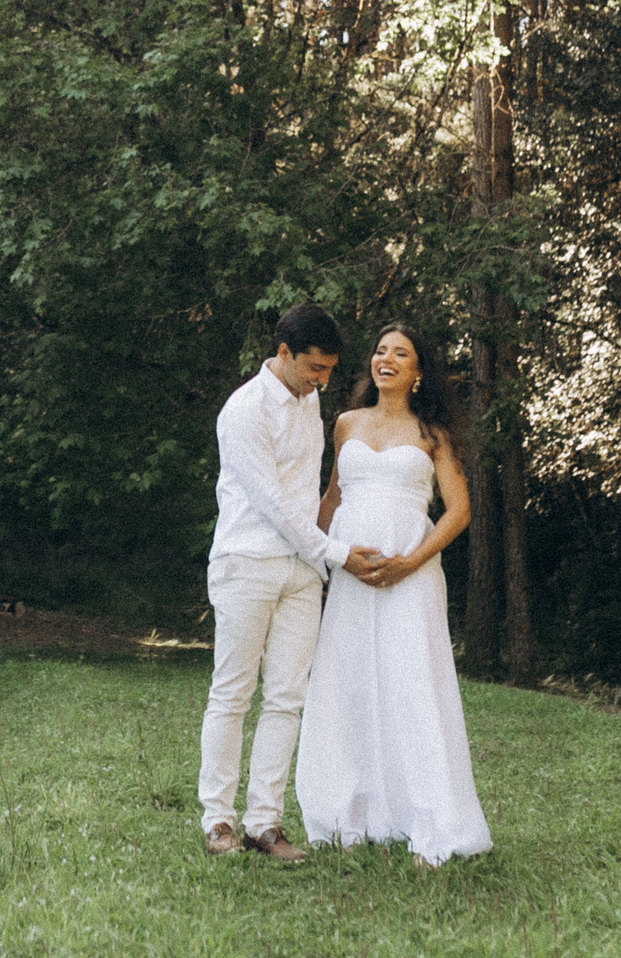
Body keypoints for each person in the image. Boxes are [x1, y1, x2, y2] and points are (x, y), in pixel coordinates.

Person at [198, 303, 396, 862]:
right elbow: (276, 506)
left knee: (287, 697)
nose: (324, 381)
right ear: (283, 353)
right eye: (315, 368)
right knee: (233, 692)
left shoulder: (310, 401)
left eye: (331, 371)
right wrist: (336, 554)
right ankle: (218, 821)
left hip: (302, 571)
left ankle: (265, 822)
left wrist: (320, 560)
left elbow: (312, 494)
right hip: (248, 562)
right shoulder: (243, 410)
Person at [294, 320, 493, 866]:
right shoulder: (345, 423)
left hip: (413, 576)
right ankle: (345, 816)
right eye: (380, 351)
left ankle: (431, 822)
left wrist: (411, 562)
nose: (386, 359)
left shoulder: (433, 436)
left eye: (400, 353)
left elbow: (459, 511)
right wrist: (317, 558)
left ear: (419, 370)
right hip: (351, 576)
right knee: (346, 683)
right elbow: (332, 499)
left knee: (413, 685)